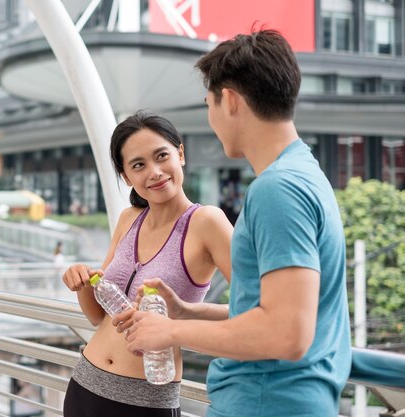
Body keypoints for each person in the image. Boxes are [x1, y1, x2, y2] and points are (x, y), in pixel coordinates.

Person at [120, 29, 352, 417]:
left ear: (228, 100)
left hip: (265, 402)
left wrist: (171, 332)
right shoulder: (304, 173)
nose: (210, 118)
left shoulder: (277, 189)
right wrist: (189, 313)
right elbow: (279, 311)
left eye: (207, 104)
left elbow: (286, 334)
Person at [61, 111, 233, 416]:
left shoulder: (206, 222)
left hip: (145, 402)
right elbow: (97, 317)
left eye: (161, 156)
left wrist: (181, 316)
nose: (154, 172)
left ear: (180, 154)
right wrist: (83, 281)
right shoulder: (129, 219)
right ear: (127, 177)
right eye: (138, 165)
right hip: (86, 385)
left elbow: (258, 308)